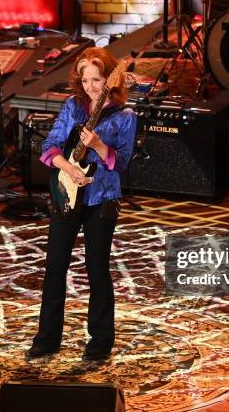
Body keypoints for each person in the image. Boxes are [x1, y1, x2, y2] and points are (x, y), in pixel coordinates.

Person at [28, 47, 137, 362]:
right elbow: (49, 148)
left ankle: (100, 341)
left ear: (110, 80)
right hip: (66, 194)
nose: (91, 86)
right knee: (54, 268)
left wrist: (100, 146)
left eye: (97, 79)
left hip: (101, 199)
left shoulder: (125, 117)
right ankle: (47, 339)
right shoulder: (72, 108)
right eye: (86, 79)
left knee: (97, 270)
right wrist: (70, 168)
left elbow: (123, 164)